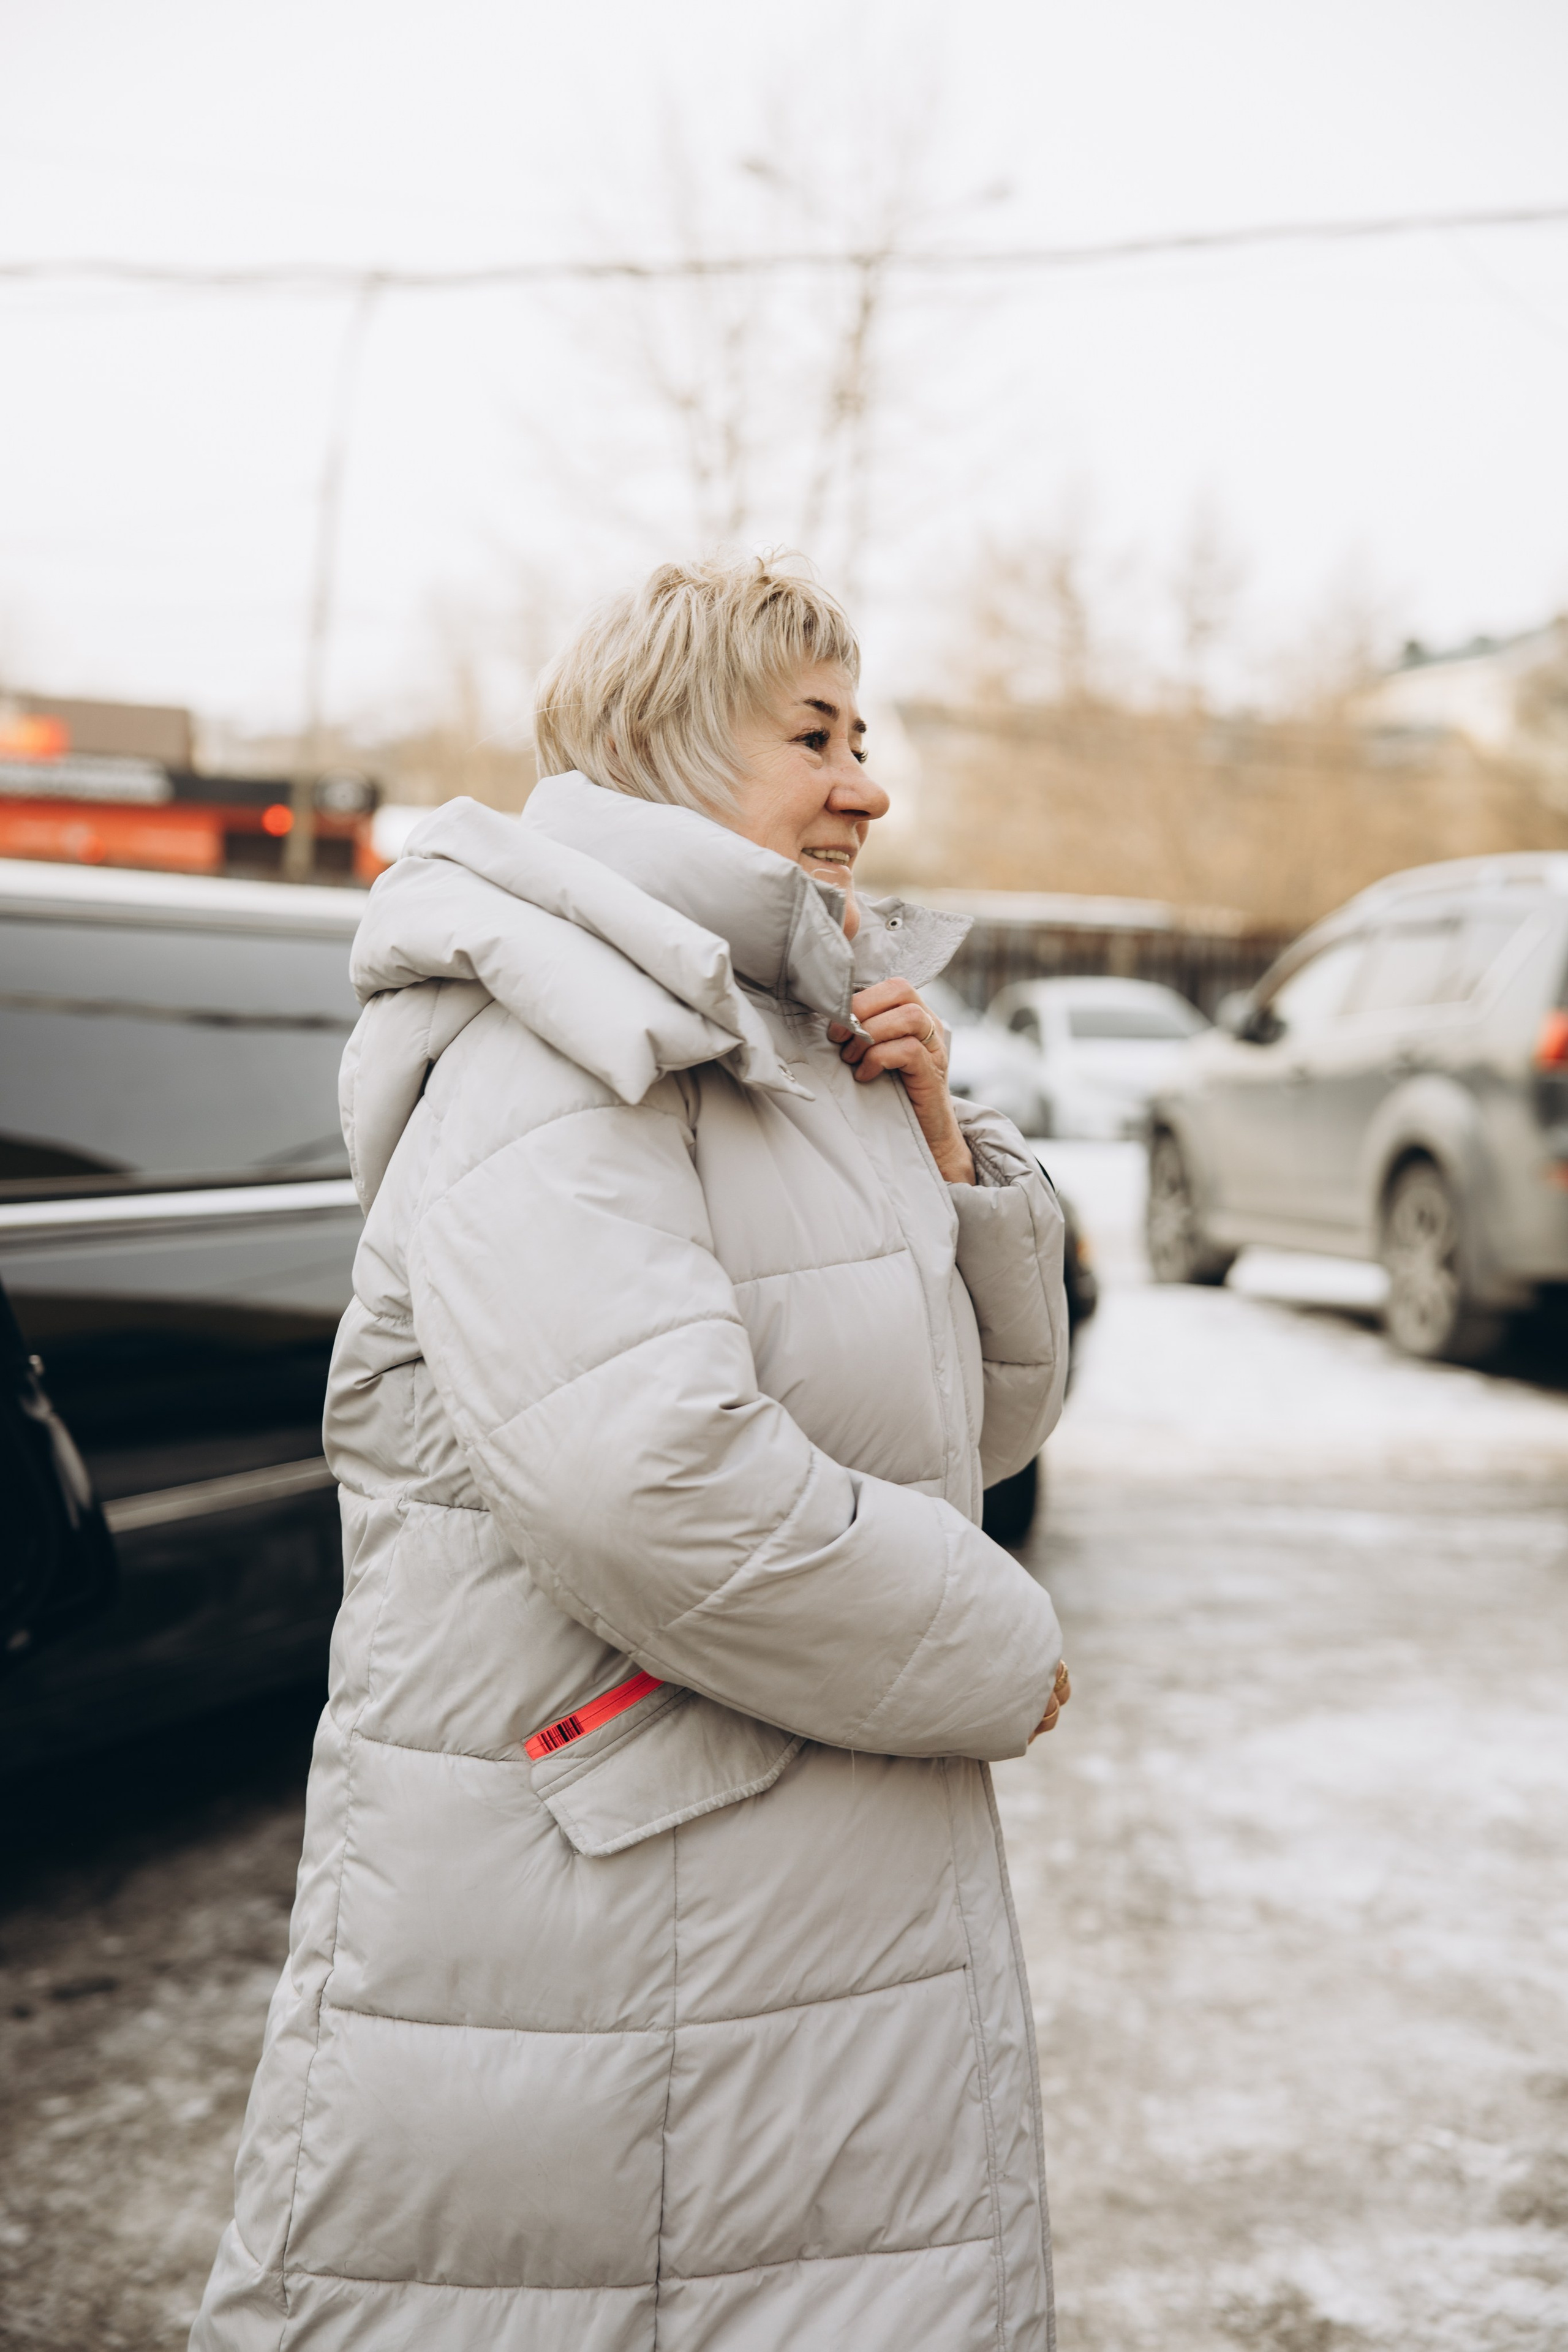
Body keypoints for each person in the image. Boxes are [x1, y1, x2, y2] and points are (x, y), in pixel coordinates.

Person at [192, 555, 1072, 2352]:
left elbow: (971, 1433)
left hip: (753, 1892)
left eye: (865, 732)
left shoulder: (779, 1035)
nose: (868, 782)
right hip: (619, 1913)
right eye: (814, 734)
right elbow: (650, 1481)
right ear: (675, 745)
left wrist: (939, 1145)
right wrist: (994, 1645)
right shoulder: (557, 1038)